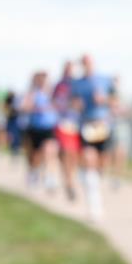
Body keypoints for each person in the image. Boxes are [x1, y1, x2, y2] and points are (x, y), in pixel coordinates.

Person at [72, 54, 116, 221]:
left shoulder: (105, 80)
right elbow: (73, 103)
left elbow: (115, 100)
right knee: (89, 158)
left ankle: (91, 178)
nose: (87, 66)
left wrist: (104, 100)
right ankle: (94, 204)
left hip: (103, 125)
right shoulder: (77, 83)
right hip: (87, 125)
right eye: (84, 63)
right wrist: (77, 105)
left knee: (102, 163)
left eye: (89, 63)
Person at [21, 71, 60, 192]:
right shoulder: (33, 93)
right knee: (35, 155)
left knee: (50, 151)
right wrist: (35, 107)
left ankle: (50, 176)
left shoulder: (52, 93)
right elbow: (24, 107)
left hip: (49, 127)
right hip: (35, 127)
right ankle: (33, 173)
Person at [52, 61, 81, 201]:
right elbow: (54, 102)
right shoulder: (59, 85)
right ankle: (68, 182)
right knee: (65, 152)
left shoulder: (77, 85)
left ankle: (70, 179)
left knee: (74, 155)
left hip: (75, 124)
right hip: (62, 123)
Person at [108, 75, 132, 191]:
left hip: (122, 127)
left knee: (121, 152)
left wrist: (123, 111)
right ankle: (111, 174)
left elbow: (131, 112)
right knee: (112, 154)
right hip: (108, 127)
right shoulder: (106, 96)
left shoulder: (124, 97)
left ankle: (118, 177)